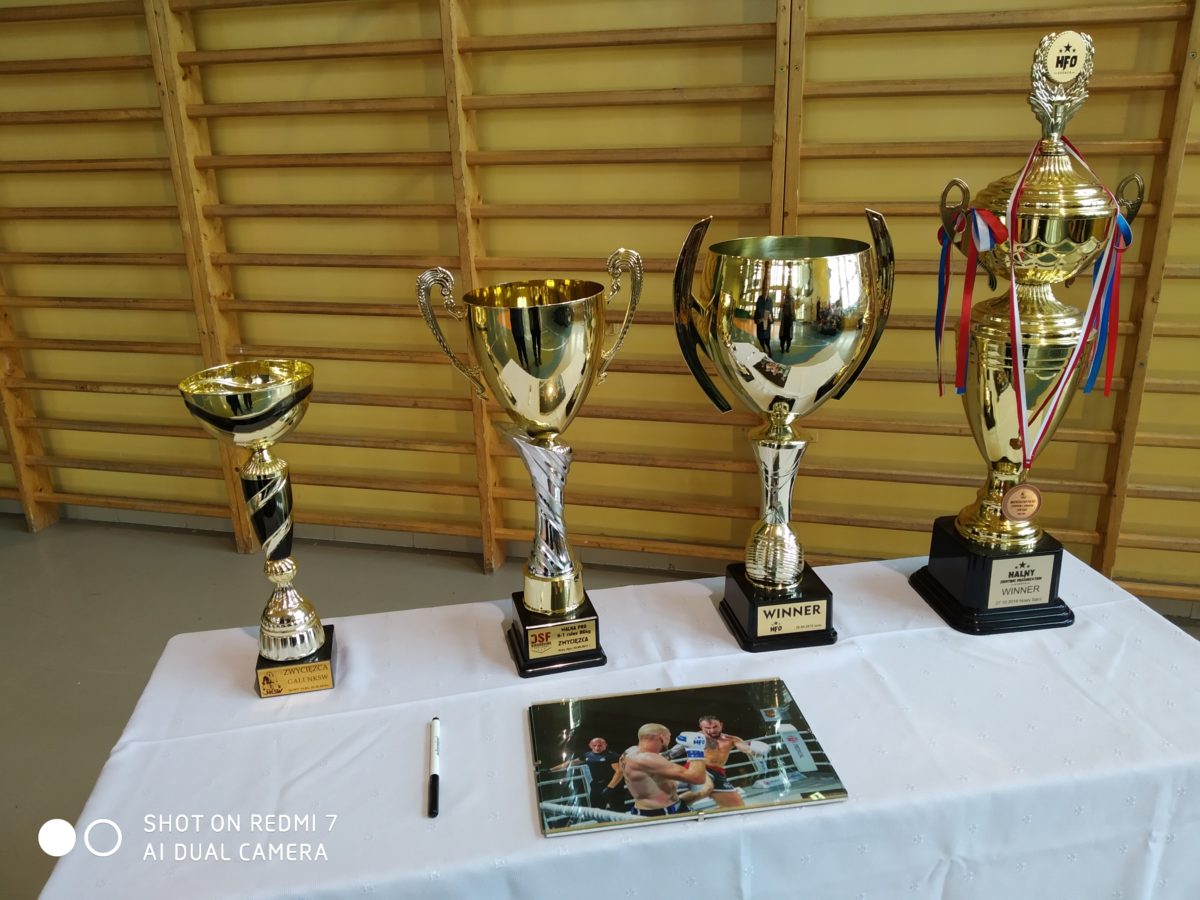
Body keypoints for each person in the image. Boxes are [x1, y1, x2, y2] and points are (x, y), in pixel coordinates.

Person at [619, 724, 707, 817]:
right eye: (668, 737)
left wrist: (679, 749)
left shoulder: (630, 752)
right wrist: (696, 750)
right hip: (661, 813)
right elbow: (698, 778)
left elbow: (656, 761)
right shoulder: (647, 759)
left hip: (661, 807)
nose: (669, 741)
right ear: (661, 738)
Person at [691, 714, 762, 809]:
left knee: (736, 806)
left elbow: (745, 747)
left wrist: (753, 751)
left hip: (718, 772)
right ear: (701, 727)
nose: (712, 730)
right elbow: (679, 749)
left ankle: (709, 816)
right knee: (707, 788)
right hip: (701, 768)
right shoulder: (696, 737)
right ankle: (679, 804)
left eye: (715, 727)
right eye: (708, 728)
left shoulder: (732, 739)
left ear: (721, 725)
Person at [550, 736, 623, 811]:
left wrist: (610, 787)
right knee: (596, 810)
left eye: (600, 745)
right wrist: (551, 770)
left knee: (617, 810)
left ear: (605, 745)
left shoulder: (612, 755)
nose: (597, 748)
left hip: (613, 785)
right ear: (590, 745)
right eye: (594, 745)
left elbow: (619, 771)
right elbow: (570, 763)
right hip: (596, 786)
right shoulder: (587, 755)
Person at [779, 290, 795, 355]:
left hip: (790, 321)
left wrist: (793, 316)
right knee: (782, 337)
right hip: (784, 321)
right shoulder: (784, 299)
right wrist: (782, 297)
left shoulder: (792, 299)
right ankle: (782, 348)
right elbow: (781, 306)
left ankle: (787, 348)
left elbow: (793, 309)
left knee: (789, 337)